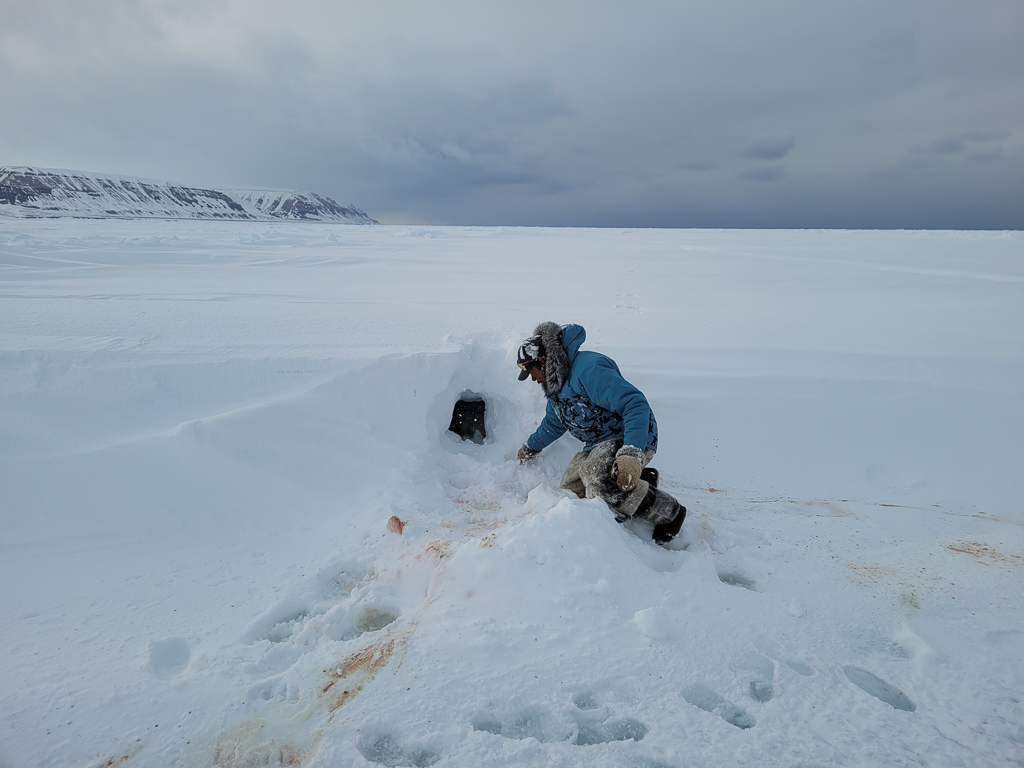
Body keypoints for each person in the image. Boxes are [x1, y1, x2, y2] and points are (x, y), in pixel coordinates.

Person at [515, 322, 685, 544]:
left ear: (543, 360)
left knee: (599, 482)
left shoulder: (589, 369)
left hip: (629, 434)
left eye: (531, 371)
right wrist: (530, 448)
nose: (532, 378)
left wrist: (631, 452)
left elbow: (634, 403)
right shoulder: (556, 390)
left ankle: (670, 512)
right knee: (571, 495)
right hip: (596, 445)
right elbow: (552, 425)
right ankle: (641, 481)